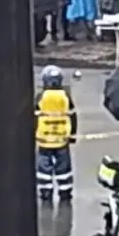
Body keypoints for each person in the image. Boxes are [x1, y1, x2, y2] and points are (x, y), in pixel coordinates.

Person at [35, 65, 77, 202]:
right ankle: (65, 192)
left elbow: (34, 117)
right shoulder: (65, 96)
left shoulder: (40, 97)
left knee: (44, 168)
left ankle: (46, 191)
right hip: (62, 140)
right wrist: (73, 135)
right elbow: (72, 116)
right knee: (64, 168)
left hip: (44, 140)